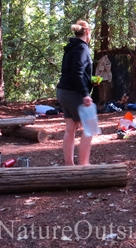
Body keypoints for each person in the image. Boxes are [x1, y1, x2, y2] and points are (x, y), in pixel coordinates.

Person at [56, 20, 94, 166]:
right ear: (87, 32)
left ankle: (69, 165)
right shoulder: (82, 48)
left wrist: (90, 81)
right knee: (90, 127)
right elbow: (77, 72)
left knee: (71, 128)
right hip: (73, 92)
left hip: (63, 92)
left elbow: (75, 71)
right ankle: (84, 165)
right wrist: (85, 93)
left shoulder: (71, 47)